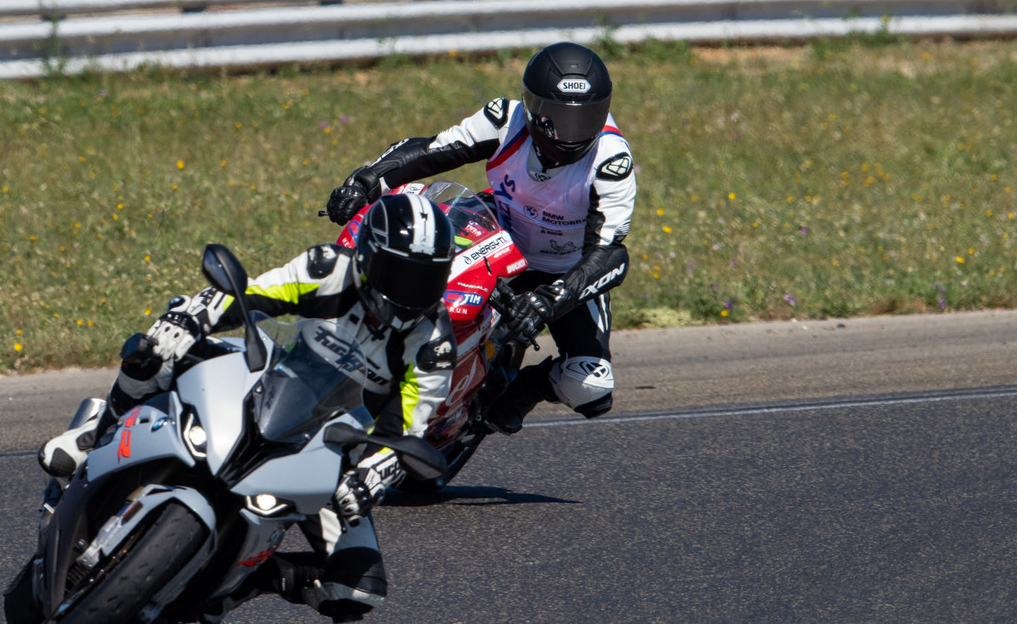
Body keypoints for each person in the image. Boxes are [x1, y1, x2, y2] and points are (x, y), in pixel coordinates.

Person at [39, 192, 458, 623]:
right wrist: (189, 320)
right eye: (400, 275)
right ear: (369, 257)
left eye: (426, 280)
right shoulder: (328, 268)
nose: (411, 293)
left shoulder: (433, 346)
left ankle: (236, 586)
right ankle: (97, 432)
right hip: (268, 385)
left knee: (357, 591)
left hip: (331, 451)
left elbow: (410, 429)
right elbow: (252, 295)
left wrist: (375, 472)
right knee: (156, 351)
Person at [325, 41, 635, 434]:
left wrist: (550, 300)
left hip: (563, 273)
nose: (573, 133)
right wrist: (365, 180)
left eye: (587, 117)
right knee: (411, 277)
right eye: (559, 118)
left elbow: (610, 254)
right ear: (534, 110)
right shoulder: (506, 119)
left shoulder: (612, 161)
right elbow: (432, 151)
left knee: (592, 386)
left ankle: (527, 388)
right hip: (494, 235)